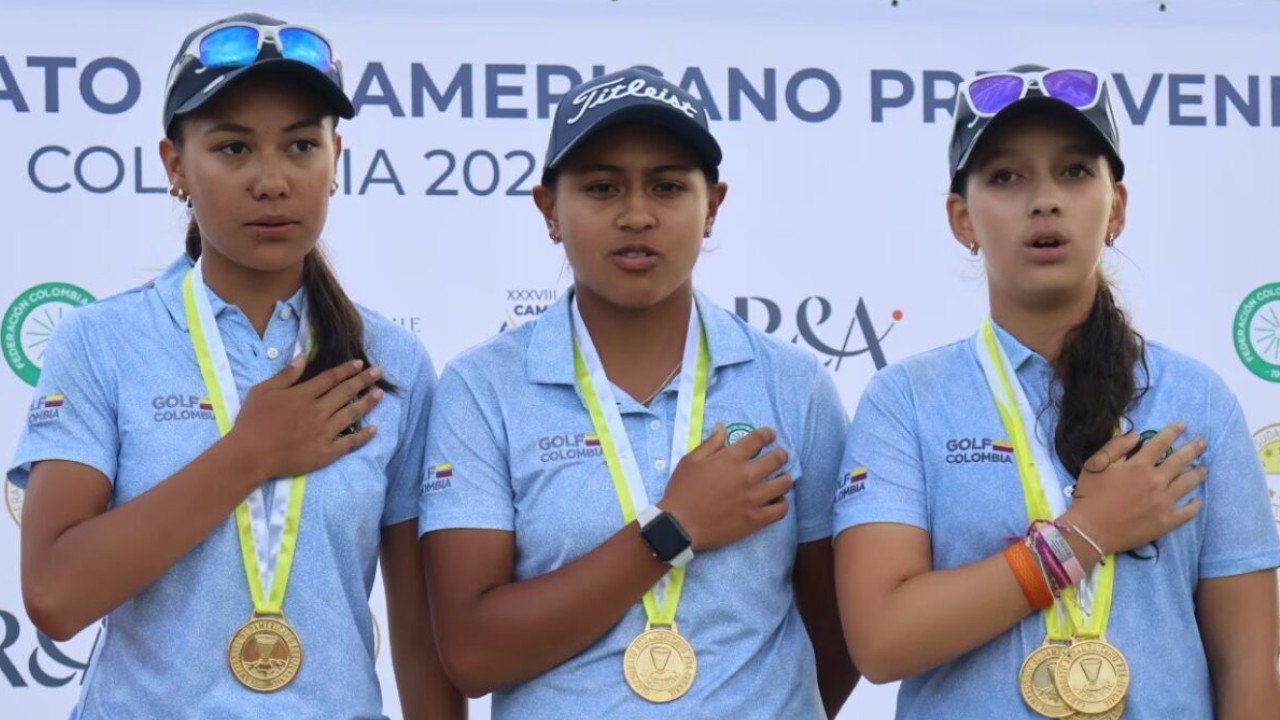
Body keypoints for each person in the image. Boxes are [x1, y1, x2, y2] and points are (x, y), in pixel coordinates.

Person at [11, 13, 462, 719]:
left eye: (302, 146)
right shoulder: (101, 341)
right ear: (174, 166)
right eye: (233, 148)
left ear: (336, 158)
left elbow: (419, 634)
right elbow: (56, 598)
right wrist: (249, 453)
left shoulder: (391, 361)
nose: (272, 180)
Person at [833, 65, 1280, 719]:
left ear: (1116, 208)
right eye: (1007, 177)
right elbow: (882, 642)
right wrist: (1085, 533)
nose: (1044, 200)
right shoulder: (908, 400)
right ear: (962, 218)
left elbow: (1247, 664)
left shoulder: (1195, 399)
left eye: (1074, 172)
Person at [417, 67, 856, 719]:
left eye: (668, 186)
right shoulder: (483, 389)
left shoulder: (793, 385)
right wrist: (672, 528)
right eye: (601, 188)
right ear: (549, 211)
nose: (637, 214)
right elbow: (474, 652)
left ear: (714, 206)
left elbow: (840, 639)